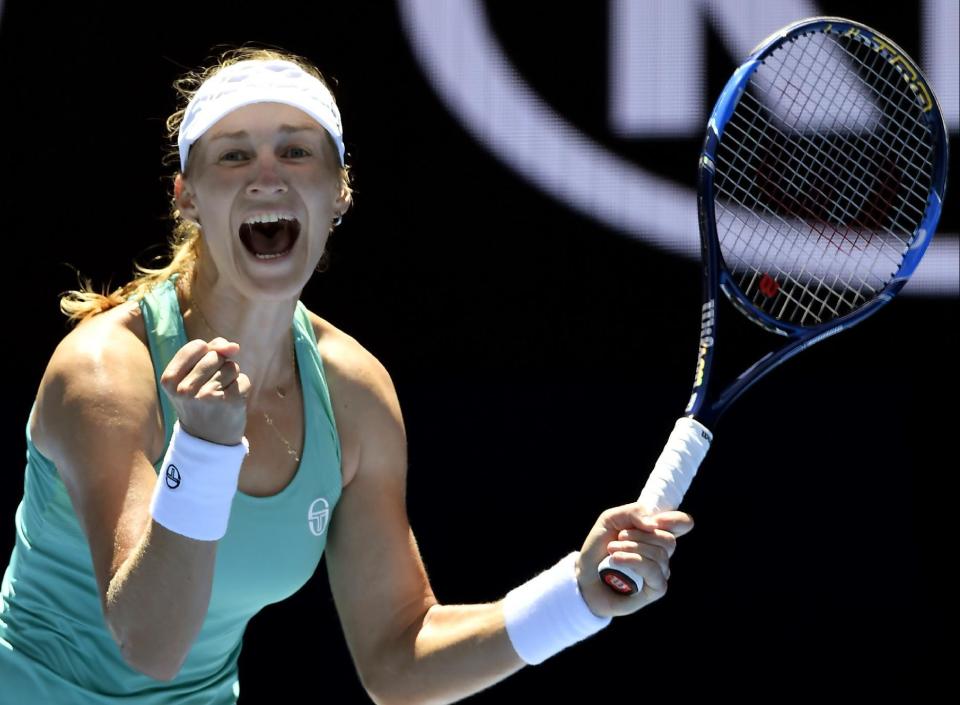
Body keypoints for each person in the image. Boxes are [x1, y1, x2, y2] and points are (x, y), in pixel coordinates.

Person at [0, 45, 694, 704]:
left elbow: (400, 658)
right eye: (234, 155)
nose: (266, 175)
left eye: (296, 152)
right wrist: (204, 450)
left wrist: (574, 595)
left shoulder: (353, 394)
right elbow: (148, 642)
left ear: (338, 191)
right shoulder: (104, 372)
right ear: (187, 196)